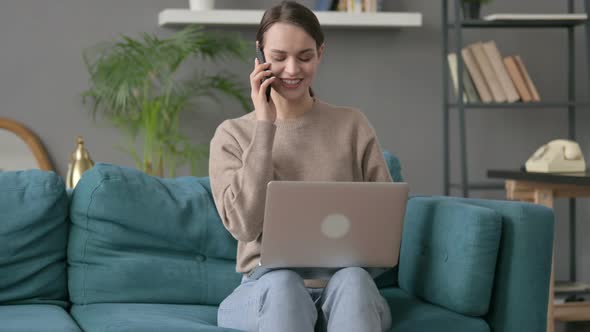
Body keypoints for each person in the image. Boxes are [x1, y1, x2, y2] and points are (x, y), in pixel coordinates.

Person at [208, 2, 393, 331]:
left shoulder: (353, 125)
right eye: (278, 57)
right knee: (284, 284)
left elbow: (387, 226)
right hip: (265, 289)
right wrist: (265, 125)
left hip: (344, 289)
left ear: (321, 52)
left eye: (305, 56)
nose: (292, 69)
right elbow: (244, 227)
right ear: (260, 54)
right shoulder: (232, 134)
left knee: (354, 280)